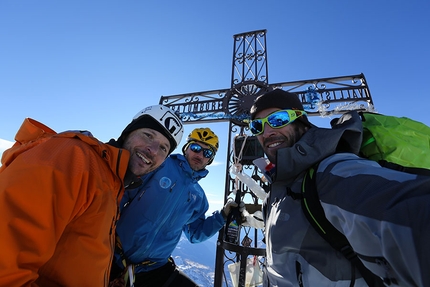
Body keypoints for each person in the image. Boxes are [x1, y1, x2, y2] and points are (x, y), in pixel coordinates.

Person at [249, 89, 430, 286]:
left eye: (278, 119)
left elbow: (408, 213)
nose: (267, 132)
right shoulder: (279, 190)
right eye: (257, 126)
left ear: (301, 122)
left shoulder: (332, 173)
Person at [0, 105, 184, 287]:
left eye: (163, 148)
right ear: (128, 132)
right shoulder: (75, 158)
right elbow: (6, 268)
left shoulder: (112, 186)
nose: (152, 149)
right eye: (148, 135)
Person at [110, 127, 239, 287]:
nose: (199, 155)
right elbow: (122, 195)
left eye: (207, 153)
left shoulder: (199, 199)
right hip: (113, 254)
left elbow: (195, 234)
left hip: (154, 268)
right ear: (186, 148)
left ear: (210, 160)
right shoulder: (160, 165)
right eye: (196, 148)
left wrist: (222, 216)